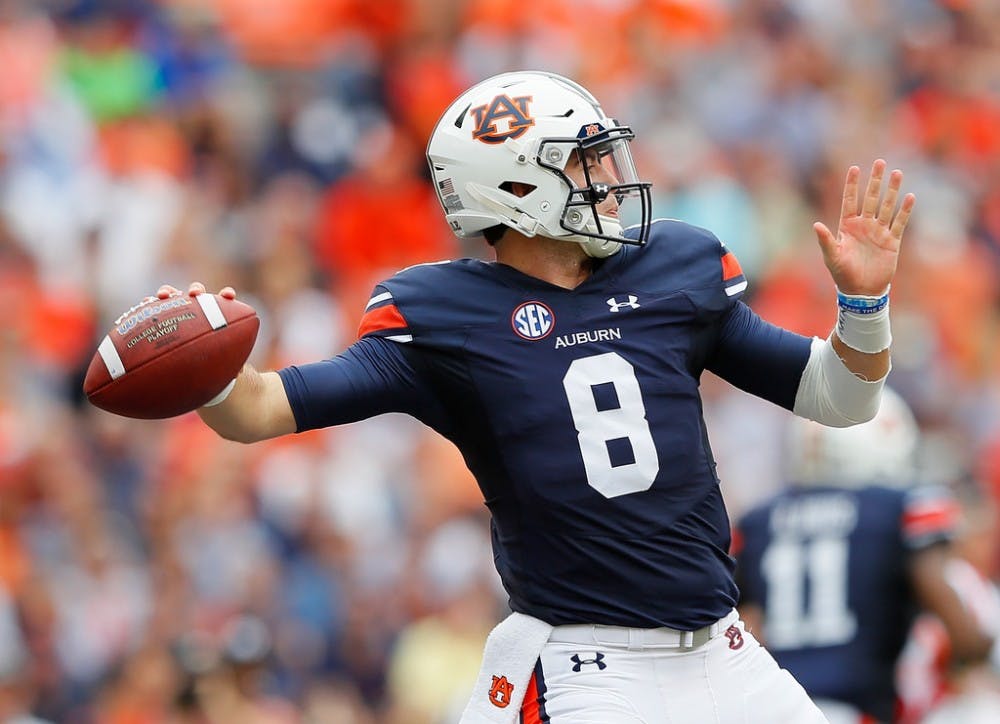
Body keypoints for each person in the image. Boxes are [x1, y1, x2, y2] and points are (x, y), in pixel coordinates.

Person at [158, 70, 917, 723]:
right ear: (516, 191)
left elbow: (841, 399)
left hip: (723, 650)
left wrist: (863, 306)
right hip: (590, 669)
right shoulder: (443, 315)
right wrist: (210, 369)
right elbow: (258, 411)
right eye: (584, 163)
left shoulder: (674, 268)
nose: (610, 178)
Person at [734, 389, 1000, 723]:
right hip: (855, 710)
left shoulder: (757, 522)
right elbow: (963, 632)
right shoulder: (899, 510)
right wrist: (975, 650)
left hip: (771, 710)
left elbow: (736, 625)